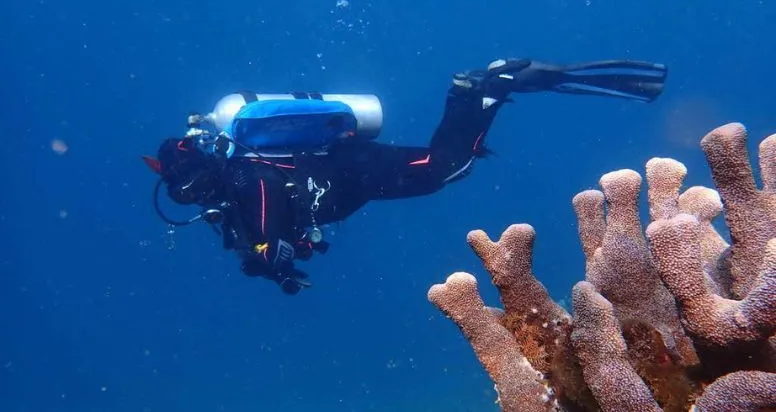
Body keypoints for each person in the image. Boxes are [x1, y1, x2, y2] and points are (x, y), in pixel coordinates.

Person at [143, 58, 667, 295]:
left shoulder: (243, 178)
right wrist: (273, 261)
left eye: (186, 192)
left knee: (446, 168)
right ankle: (479, 91)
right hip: (351, 175)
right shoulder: (239, 180)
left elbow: (267, 216)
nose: (193, 201)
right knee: (443, 169)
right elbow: (269, 233)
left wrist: (269, 253)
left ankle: (485, 88)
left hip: (356, 171)